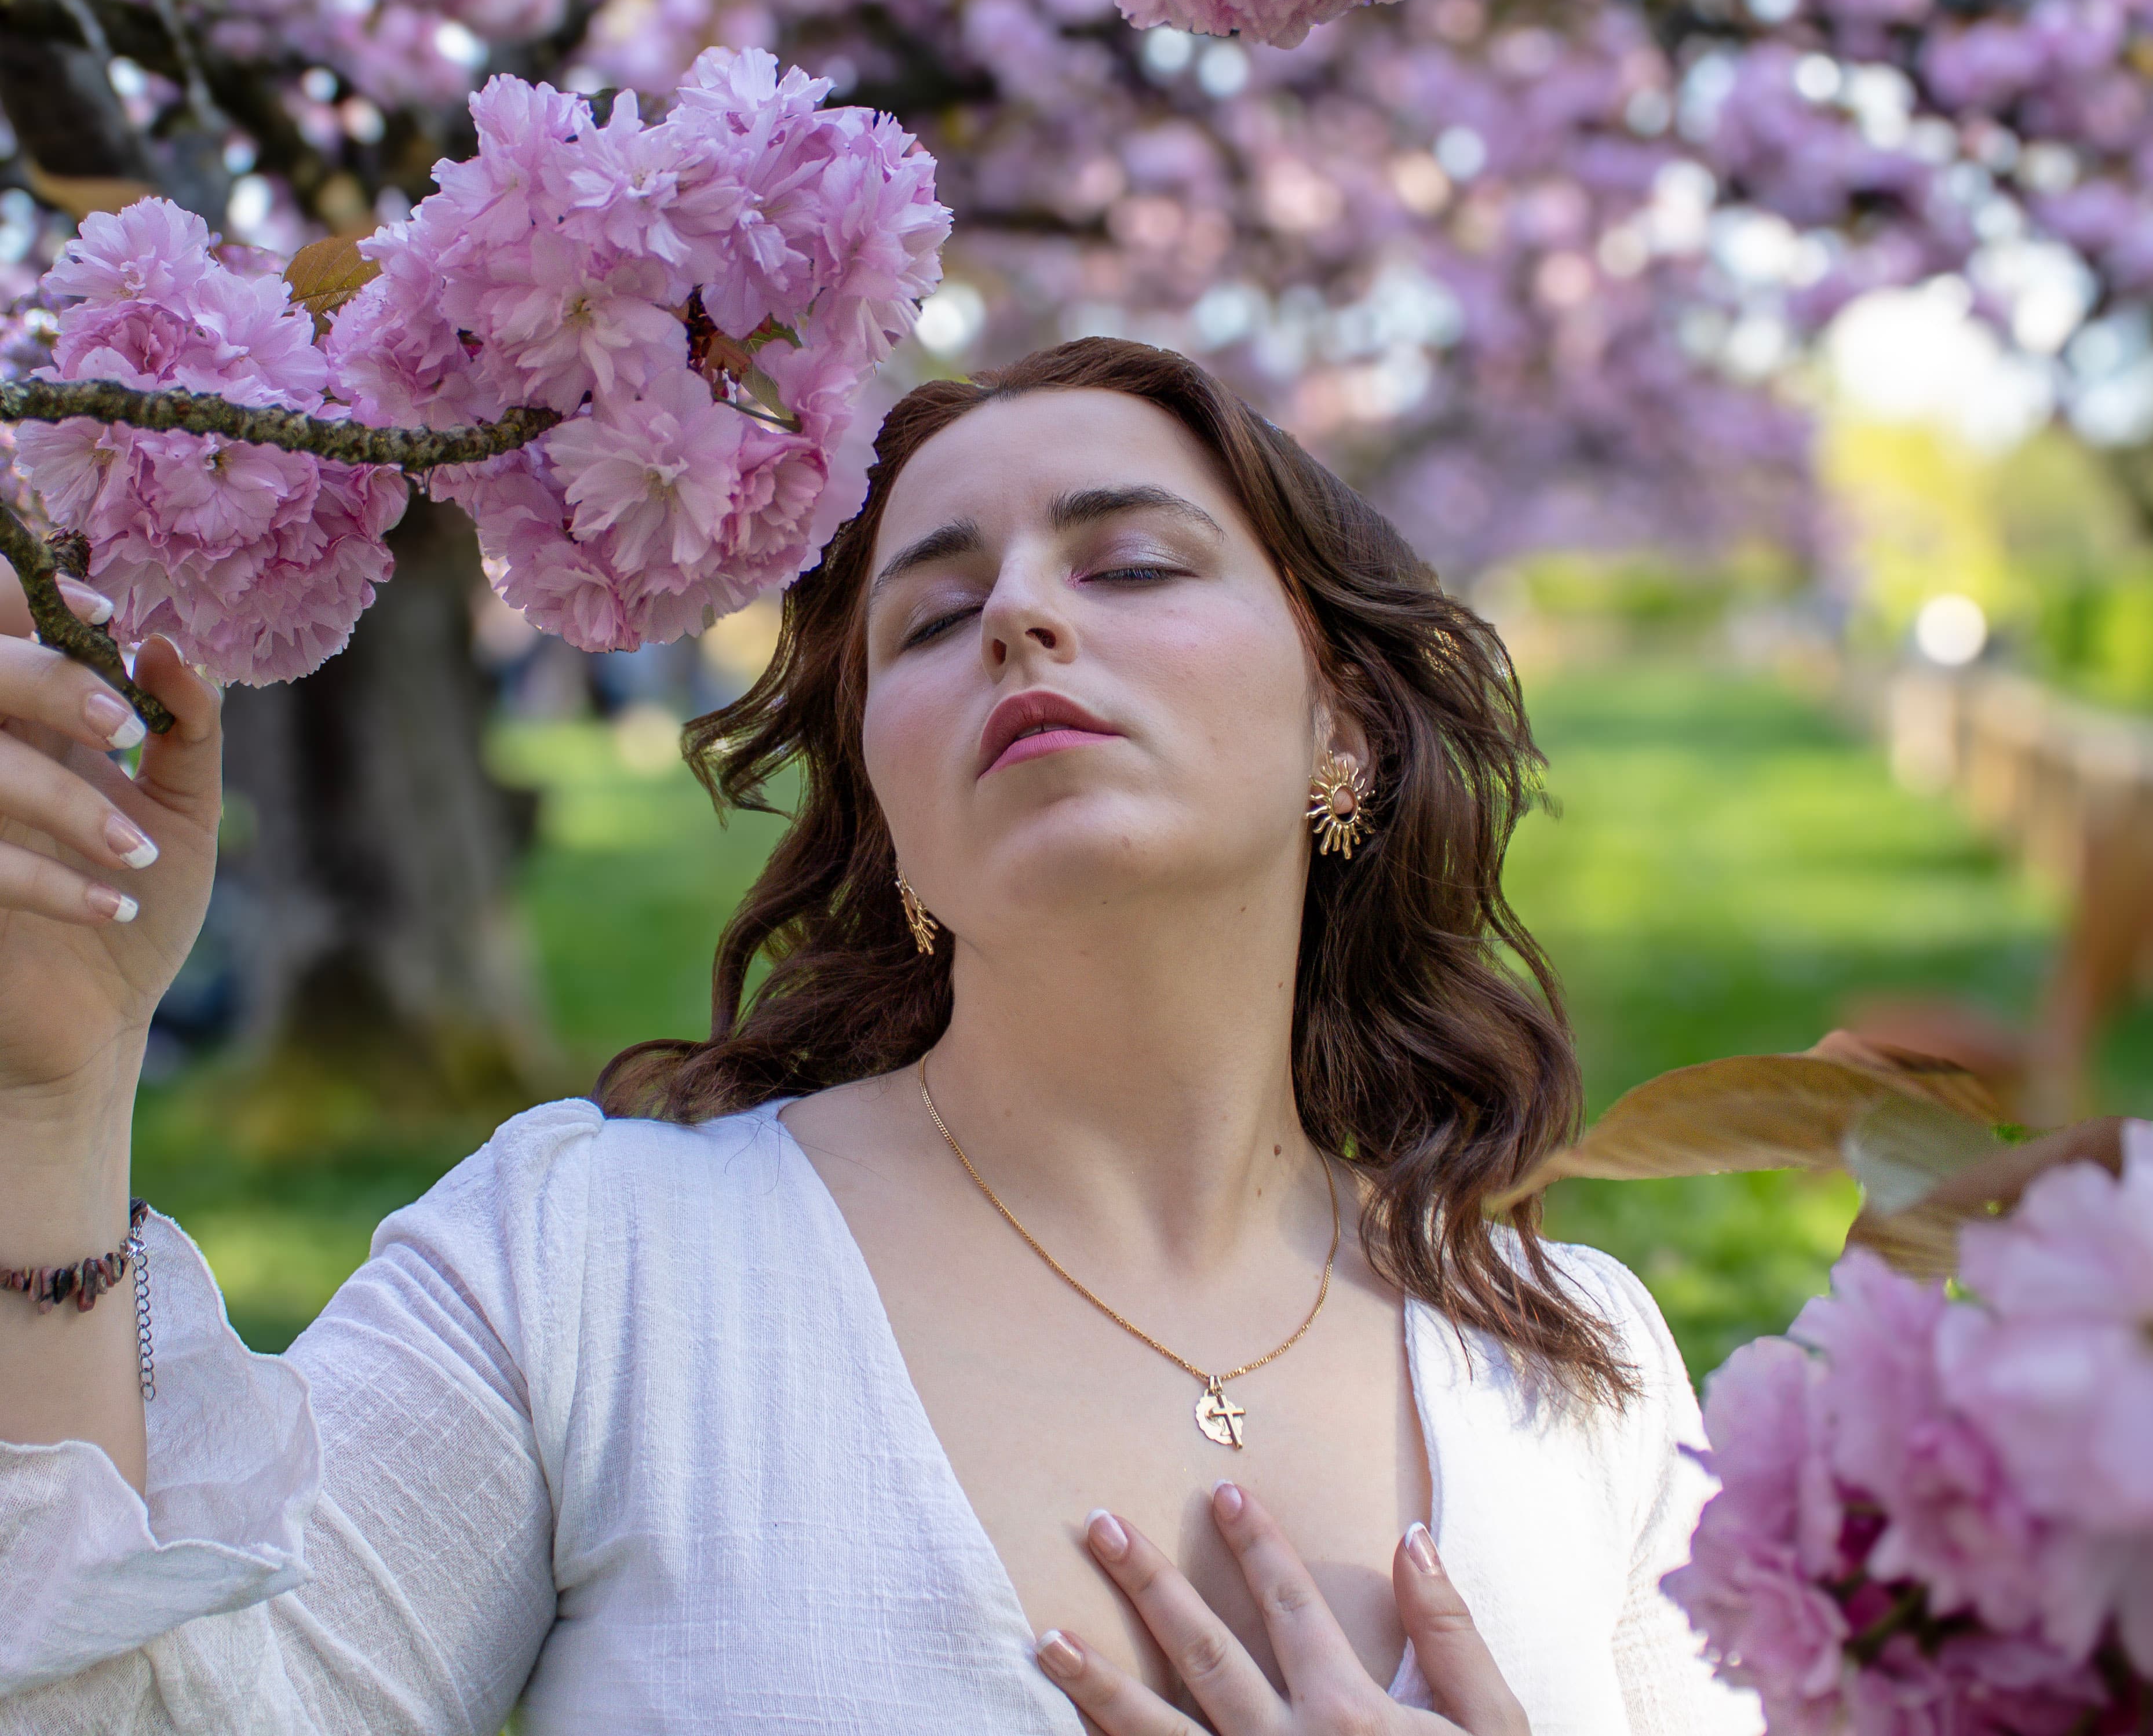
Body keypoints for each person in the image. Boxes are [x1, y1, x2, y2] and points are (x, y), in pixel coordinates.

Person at [0, 339, 1759, 1735]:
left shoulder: (1574, 1366)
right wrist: (51, 1104)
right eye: (929, 617)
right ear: (891, 821)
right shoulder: (592, 1267)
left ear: (1346, 732)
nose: (1018, 613)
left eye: (1130, 559)